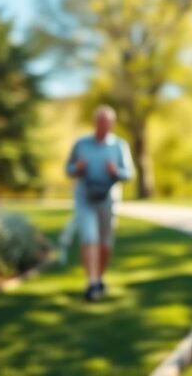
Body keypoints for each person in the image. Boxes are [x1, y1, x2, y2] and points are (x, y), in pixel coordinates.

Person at [65, 105, 134, 302]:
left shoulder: (119, 145)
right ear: (95, 123)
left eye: (107, 122)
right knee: (89, 238)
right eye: (100, 122)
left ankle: (99, 276)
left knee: (105, 243)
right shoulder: (81, 144)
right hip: (85, 197)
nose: (103, 125)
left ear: (112, 124)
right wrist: (76, 168)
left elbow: (129, 173)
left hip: (108, 198)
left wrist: (116, 172)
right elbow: (68, 169)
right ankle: (92, 281)